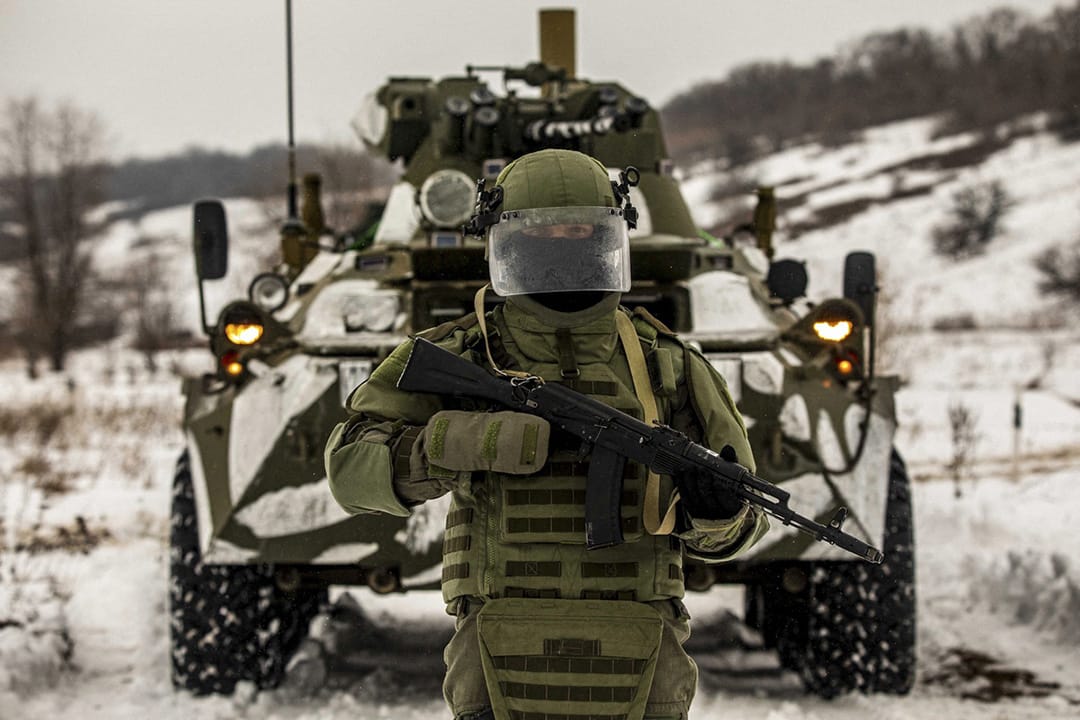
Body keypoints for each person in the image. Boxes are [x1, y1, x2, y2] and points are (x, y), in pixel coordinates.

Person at [325, 149, 768, 720]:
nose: (564, 255)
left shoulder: (670, 366)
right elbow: (349, 471)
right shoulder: (458, 354)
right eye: (543, 241)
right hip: (496, 653)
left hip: (641, 655)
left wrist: (718, 513)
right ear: (505, 246)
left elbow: (742, 525)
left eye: (582, 238)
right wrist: (464, 445)